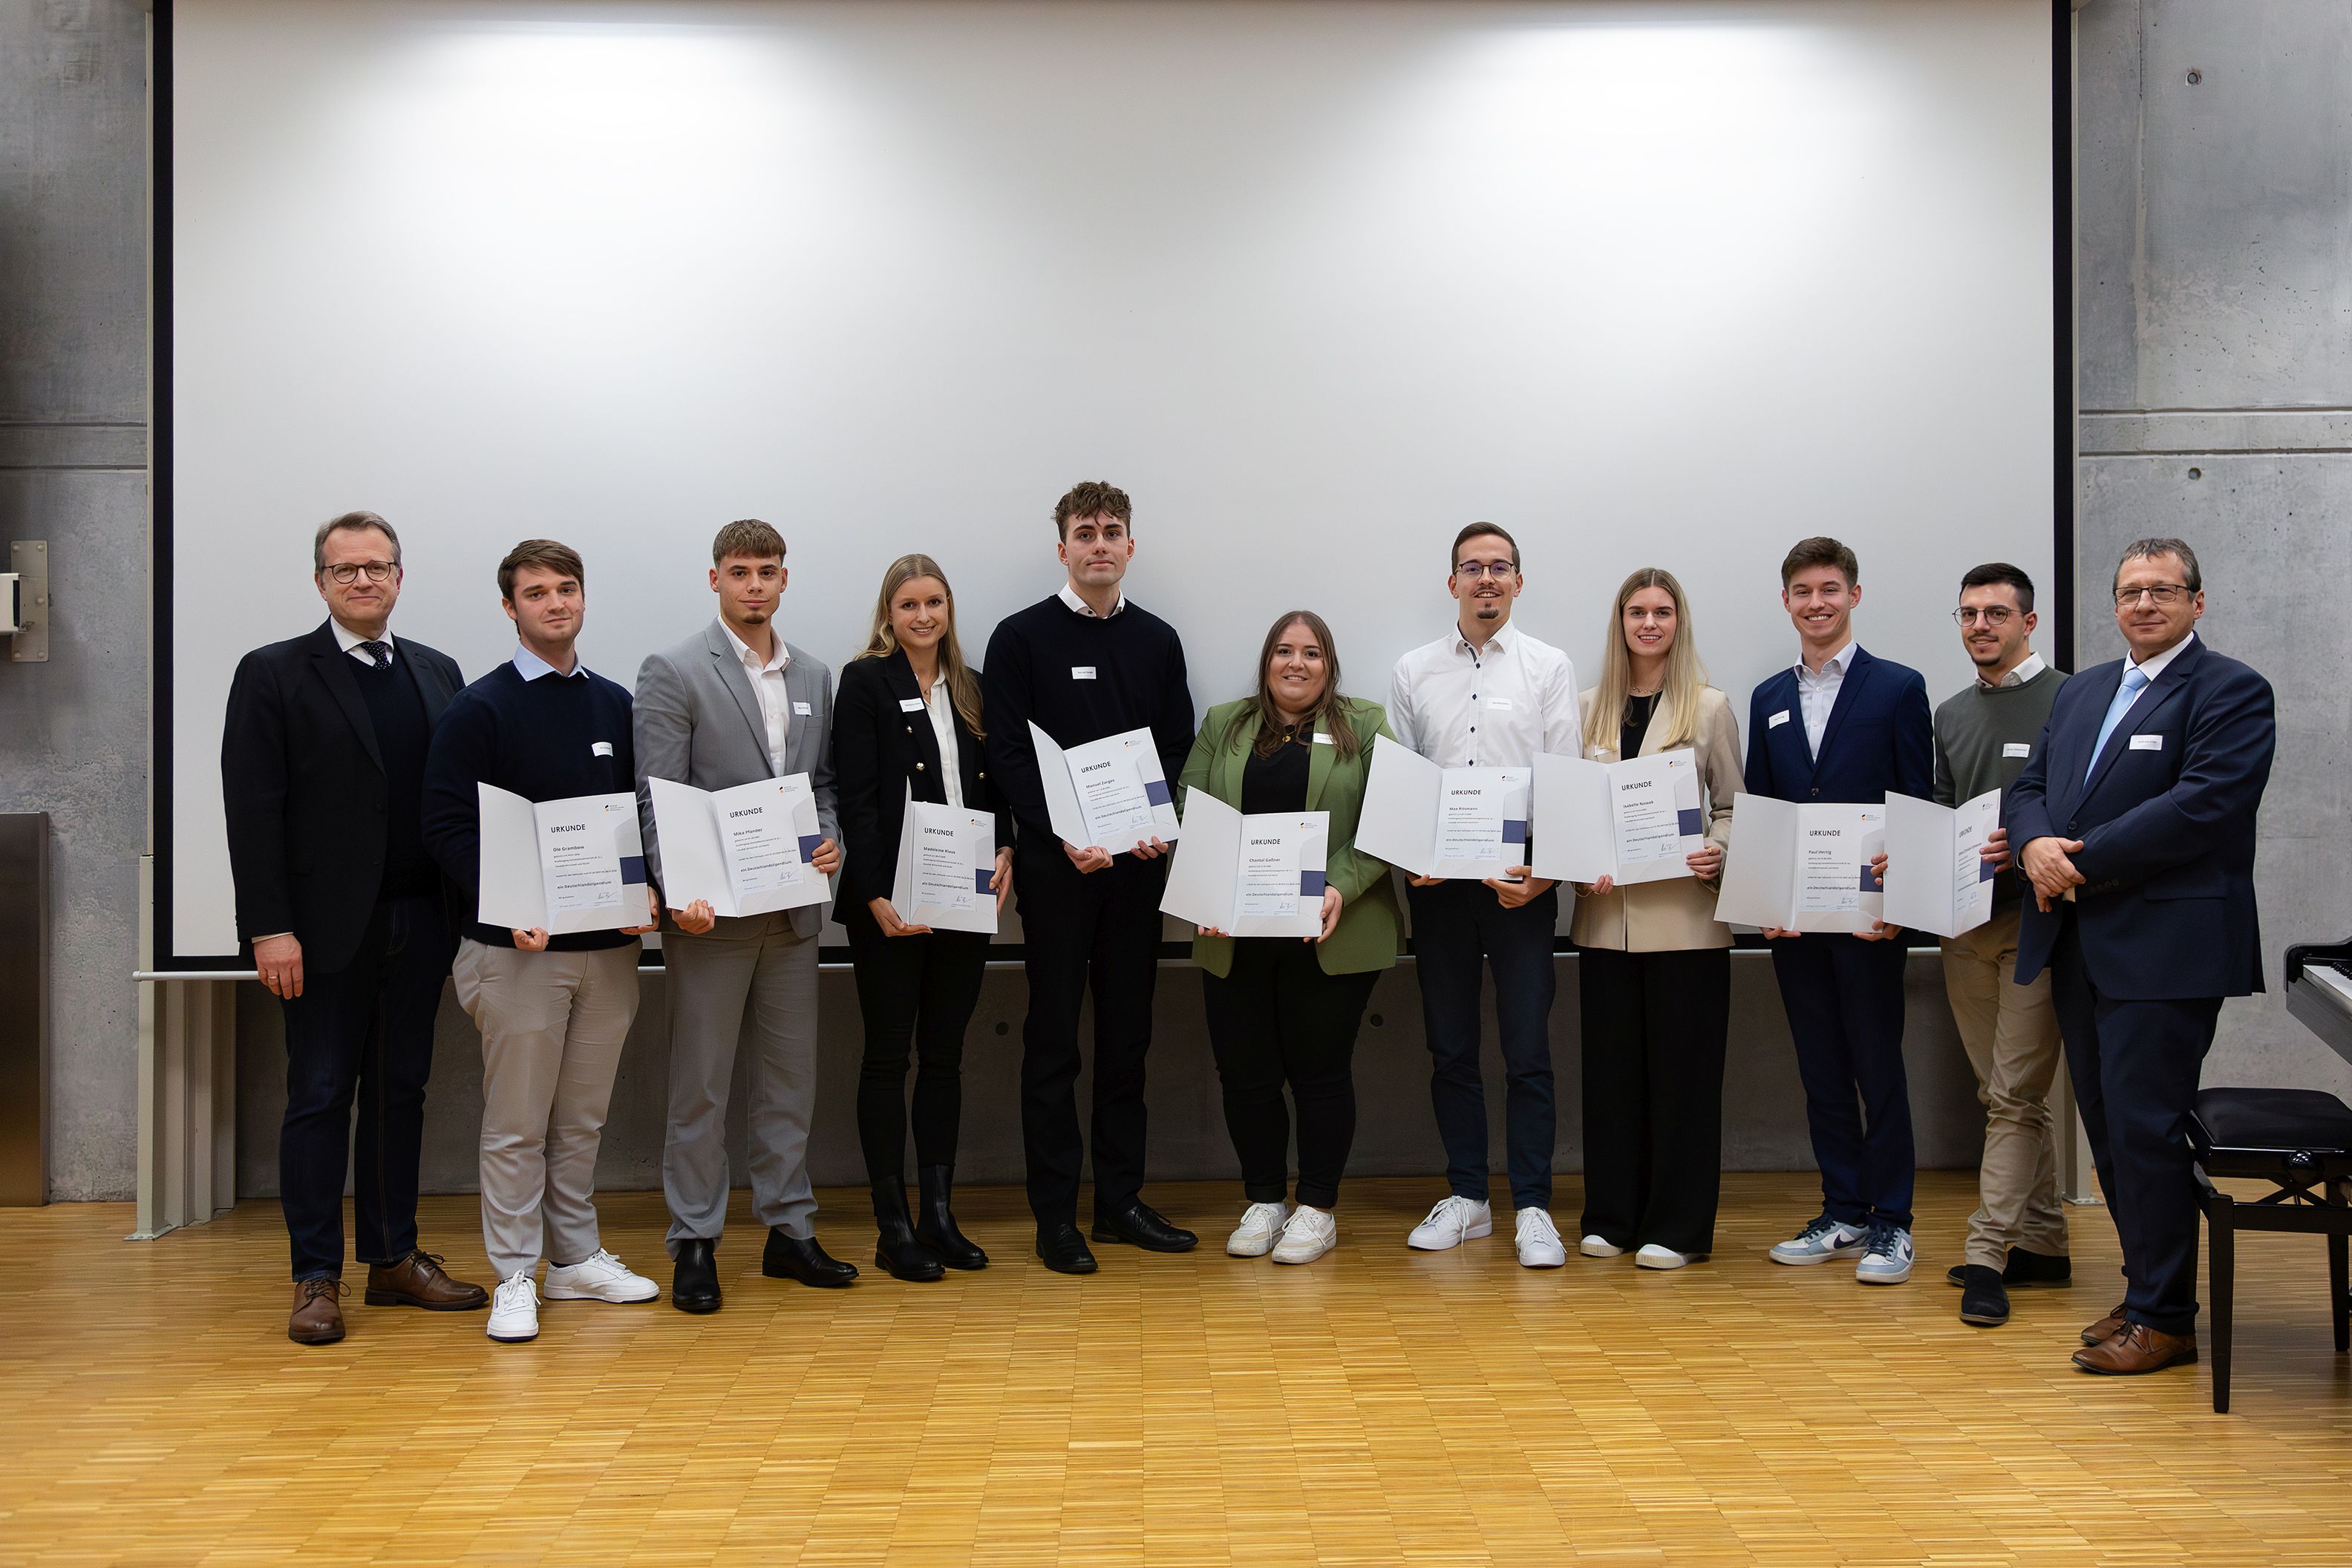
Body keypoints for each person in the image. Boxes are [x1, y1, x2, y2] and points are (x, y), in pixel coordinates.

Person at [2002, 538, 2274, 1375]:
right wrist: (2033, 843)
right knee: (2111, 1132)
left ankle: (2166, 1320)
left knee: (2146, 1129)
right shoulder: (2082, 690)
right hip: (2078, 942)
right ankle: (2148, 1286)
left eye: (2164, 590)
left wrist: (2073, 861)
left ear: (2198, 601)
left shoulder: (2231, 690)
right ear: (2114, 604)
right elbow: (2029, 788)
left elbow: (2203, 807)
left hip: (2166, 950)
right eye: (2131, 592)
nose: (2145, 604)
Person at [221, 510, 487, 1346]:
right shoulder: (272, 672)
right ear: (321, 582)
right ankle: (315, 1276)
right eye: (346, 570)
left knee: (400, 1094)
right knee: (320, 1096)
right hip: (319, 935)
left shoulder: (438, 672)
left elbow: (457, 801)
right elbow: (252, 811)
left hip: (421, 922)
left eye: (377, 567)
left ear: (399, 578)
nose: (364, 580)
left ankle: (393, 1259)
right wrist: (269, 928)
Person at [422, 538, 662, 1343]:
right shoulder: (480, 708)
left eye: (566, 588)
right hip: (516, 951)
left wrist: (648, 888)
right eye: (536, 593)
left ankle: (575, 1259)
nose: (555, 603)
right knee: (518, 1124)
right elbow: (445, 825)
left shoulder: (614, 703)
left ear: (583, 598)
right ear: (510, 607)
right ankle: (515, 1274)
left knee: (582, 1120)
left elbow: (637, 818)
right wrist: (506, 902)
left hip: (609, 952)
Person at [982, 481, 1198, 1275]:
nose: (1099, 543)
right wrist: (1063, 834)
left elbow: (1176, 746)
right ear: (1063, 548)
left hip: (1136, 870)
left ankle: (1119, 1203)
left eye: (1112, 531)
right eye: (1085, 532)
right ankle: (1055, 1217)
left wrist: (1153, 823)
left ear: (1130, 547)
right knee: (1052, 1043)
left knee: (1126, 1039)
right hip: (1057, 871)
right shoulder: (1020, 638)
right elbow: (1007, 752)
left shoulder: (1158, 640)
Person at [633, 520, 849, 1310]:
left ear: (784, 579)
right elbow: (658, 797)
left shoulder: (815, 674)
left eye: (767, 571)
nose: (754, 585)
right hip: (709, 920)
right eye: (739, 572)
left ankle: (789, 1231)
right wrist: (674, 890)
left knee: (789, 1083)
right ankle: (695, 1240)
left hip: (792, 913)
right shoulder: (674, 670)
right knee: (701, 1088)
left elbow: (821, 786)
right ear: (715, 580)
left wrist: (830, 841)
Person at [1176, 610, 1401, 1265]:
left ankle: (1318, 1209)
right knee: (1245, 1074)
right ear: (1266, 661)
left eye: (1311, 653)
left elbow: (1391, 818)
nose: (1296, 664)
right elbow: (1190, 806)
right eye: (1283, 651)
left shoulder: (1365, 724)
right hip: (1236, 932)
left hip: (1330, 929)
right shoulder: (1225, 723)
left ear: (1329, 664)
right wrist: (1207, 886)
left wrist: (1339, 886)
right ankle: (1265, 1200)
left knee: (1319, 1072)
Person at [1387, 523, 1581, 1268]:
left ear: (1518, 583)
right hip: (1439, 888)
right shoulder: (1413, 669)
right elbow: (1403, 778)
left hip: (1519, 885)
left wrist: (1546, 875)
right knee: (1451, 1045)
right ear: (1454, 583)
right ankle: (1468, 1196)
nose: (1487, 579)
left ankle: (1533, 1205)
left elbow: (1563, 776)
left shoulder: (1548, 666)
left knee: (1528, 1048)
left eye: (1500, 567)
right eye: (1473, 568)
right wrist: (1414, 855)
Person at [1745, 536, 1932, 1285]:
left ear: (1853, 596)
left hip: (1869, 920)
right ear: (1785, 601)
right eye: (1802, 591)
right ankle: (1843, 1211)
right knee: (1821, 1069)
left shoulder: (1899, 687)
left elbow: (1916, 802)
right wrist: (1763, 897)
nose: (1816, 603)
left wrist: (1904, 900)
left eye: (1829, 589)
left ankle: (1893, 1223)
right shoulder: (1768, 698)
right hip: (1796, 923)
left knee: (1876, 1068)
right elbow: (1761, 807)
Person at [834, 554, 1013, 1280]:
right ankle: (893, 1227)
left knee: (944, 1057)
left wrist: (1006, 848)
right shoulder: (865, 681)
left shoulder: (972, 687)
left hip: (963, 896)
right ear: (889, 613)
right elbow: (856, 796)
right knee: (887, 1057)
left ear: (948, 609)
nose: (923, 616)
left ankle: (939, 1215)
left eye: (934, 602)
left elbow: (996, 785)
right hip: (890, 902)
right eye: (908, 604)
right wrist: (874, 893)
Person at [1567, 568, 1742, 1271]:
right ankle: (1611, 1217)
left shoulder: (1710, 708)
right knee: (1611, 1080)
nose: (1648, 623)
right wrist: (1576, 860)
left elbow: (1731, 806)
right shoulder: (1586, 710)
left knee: (1683, 1083)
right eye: (1636, 611)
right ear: (1620, 622)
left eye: (1662, 612)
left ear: (1679, 622)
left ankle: (1678, 1228)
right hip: (1604, 924)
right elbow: (1573, 812)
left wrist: (1718, 850)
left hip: (1686, 925)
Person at [1928, 564, 2072, 1330]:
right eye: (1968, 614)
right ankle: (2044, 1243)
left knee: (2015, 1096)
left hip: (2036, 926)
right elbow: (1944, 809)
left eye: (1995, 613)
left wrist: (2023, 843)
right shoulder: (1951, 713)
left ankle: (1986, 1256)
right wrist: (1911, 857)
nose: (1979, 626)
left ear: (2029, 622)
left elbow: (2083, 810)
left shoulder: (2072, 700)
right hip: (1963, 929)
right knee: (2002, 1095)